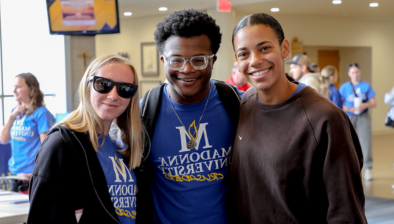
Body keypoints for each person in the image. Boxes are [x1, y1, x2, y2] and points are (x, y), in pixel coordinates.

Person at [230, 13, 366, 223]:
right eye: (243, 54)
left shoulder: (324, 118)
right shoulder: (245, 104)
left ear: (285, 49)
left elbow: (346, 211)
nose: (255, 61)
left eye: (265, 48)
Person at [136, 9, 243, 224]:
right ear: (163, 60)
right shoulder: (143, 115)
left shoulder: (237, 104)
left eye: (199, 60)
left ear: (213, 60)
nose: (186, 69)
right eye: (176, 60)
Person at [27, 54, 144, 224]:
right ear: (87, 86)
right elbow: (44, 216)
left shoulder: (120, 146)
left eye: (125, 89)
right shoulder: (62, 144)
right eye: (103, 85)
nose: (113, 95)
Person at [0, 73, 55, 192]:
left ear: (31, 90)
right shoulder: (15, 112)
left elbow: (47, 149)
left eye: (18, 87)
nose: (14, 90)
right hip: (15, 175)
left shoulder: (42, 114)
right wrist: (12, 117)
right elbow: (3, 140)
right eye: (14, 87)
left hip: (31, 177)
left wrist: (37, 172)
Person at [340, 63, 376, 181]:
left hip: (363, 116)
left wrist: (365, 105)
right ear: (349, 74)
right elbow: (340, 104)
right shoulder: (344, 87)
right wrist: (348, 109)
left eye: (357, 72)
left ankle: (368, 169)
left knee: (366, 142)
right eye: (353, 73)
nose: (355, 75)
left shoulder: (366, 86)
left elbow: (373, 102)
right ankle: (350, 168)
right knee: (347, 142)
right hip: (349, 117)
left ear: (360, 72)